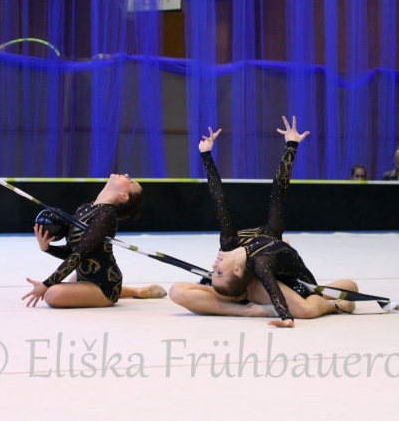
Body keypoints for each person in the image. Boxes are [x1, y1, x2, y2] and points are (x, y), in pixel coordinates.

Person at [169, 117, 358, 327]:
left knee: (349, 287)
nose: (213, 265)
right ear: (237, 271)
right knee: (307, 309)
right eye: (218, 271)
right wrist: (291, 146)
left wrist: (206, 155)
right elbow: (279, 191)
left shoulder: (230, 244)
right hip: (255, 287)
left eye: (215, 272)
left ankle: (315, 303)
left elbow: (220, 199)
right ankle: (250, 310)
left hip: (278, 284)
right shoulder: (262, 255)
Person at [22, 174, 167, 308]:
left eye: (131, 182)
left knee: (52, 294)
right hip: (85, 276)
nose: (127, 176)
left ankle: (114, 293)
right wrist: (47, 248)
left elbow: (79, 255)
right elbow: (72, 250)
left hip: (104, 284)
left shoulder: (106, 215)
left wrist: (46, 284)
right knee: (71, 281)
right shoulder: (85, 208)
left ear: (124, 195)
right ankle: (136, 291)